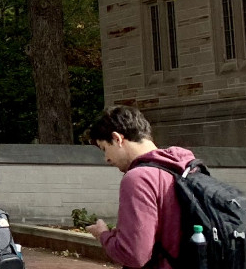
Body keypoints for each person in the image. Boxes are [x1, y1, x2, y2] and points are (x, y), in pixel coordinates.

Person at [83, 105, 196, 269]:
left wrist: (103, 235)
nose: (106, 158)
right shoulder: (186, 168)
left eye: (105, 149)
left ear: (117, 139)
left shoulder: (138, 178)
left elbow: (134, 255)